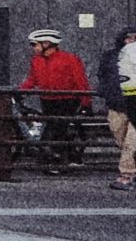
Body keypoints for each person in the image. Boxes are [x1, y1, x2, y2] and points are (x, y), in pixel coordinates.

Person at [19, 28, 92, 168]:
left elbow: (81, 81)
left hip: (67, 100)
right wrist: (20, 90)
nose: (33, 48)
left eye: (35, 44)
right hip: (47, 100)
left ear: (46, 43)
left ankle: (60, 159)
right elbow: (32, 79)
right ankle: (62, 157)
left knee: (59, 129)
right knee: (53, 128)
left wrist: (85, 102)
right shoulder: (36, 61)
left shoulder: (70, 59)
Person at [104, 26, 136, 192]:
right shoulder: (110, 56)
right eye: (129, 38)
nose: (131, 41)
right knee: (120, 139)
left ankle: (126, 175)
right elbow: (103, 76)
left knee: (132, 142)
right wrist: (107, 93)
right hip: (117, 104)